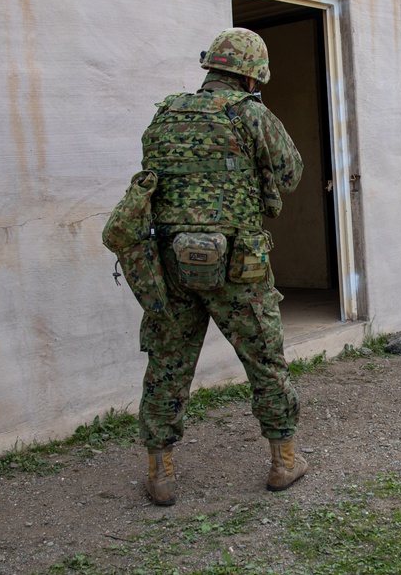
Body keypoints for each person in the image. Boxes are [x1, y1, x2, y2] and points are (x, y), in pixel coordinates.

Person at [135, 27, 306, 505]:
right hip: (239, 268)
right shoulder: (252, 114)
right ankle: (284, 462)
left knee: (167, 364)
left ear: (211, 68)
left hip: (171, 265)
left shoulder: (165, 114)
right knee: (265, 362)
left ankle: (160, 473)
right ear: (252, 77)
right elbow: (292, 174)